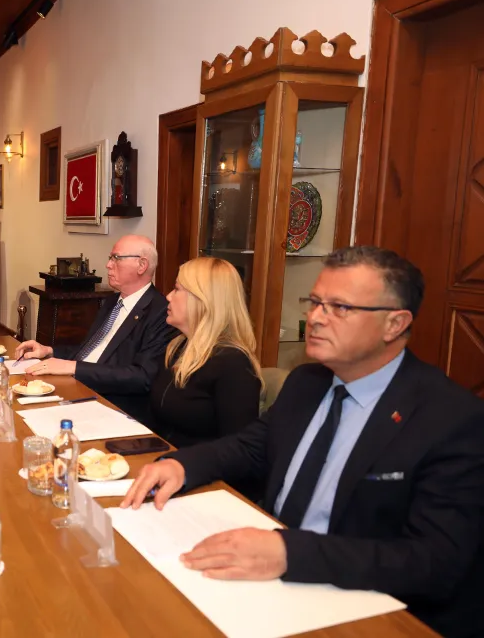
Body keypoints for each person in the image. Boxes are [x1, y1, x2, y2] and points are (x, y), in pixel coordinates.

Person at [121, 246, 484, 638]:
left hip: (366, 606)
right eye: (314, 303)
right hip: (268, 580)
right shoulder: (307, 383)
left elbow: (434, 561)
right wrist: (183, 464)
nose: (315, 318)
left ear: (394, 324)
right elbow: (250, 446)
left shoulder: (450, 418)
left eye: (339, 307)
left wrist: (288, 553)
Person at [14, 235, 177, 419]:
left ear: (142, 265)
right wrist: (49, 351)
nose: (108, 265)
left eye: (116, 258)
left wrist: (74, 368)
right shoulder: (111, 302)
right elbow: (91, 351)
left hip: (110, 405)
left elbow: (142, 377)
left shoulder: (160, 313)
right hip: (76, 387)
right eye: (110, 258)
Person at [146, 257, 262, 447]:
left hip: (197, 464)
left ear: (202, 300)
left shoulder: (233, 364)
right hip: (163, 456)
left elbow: (239, 448)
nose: (168, 296)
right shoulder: (177, 347)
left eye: (177, 289)